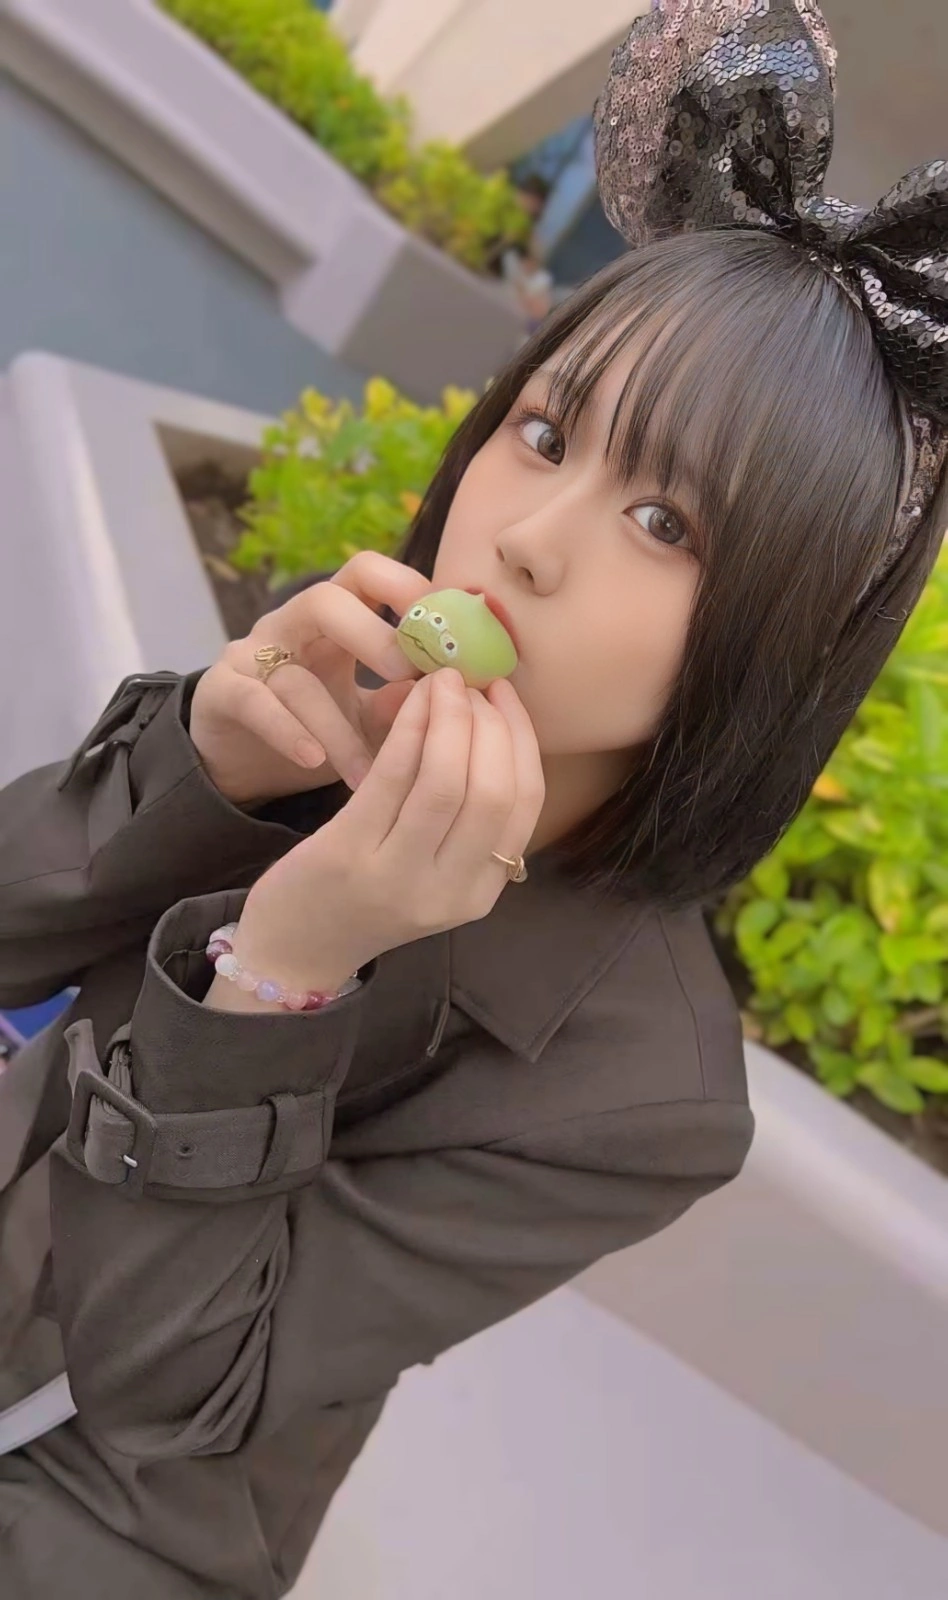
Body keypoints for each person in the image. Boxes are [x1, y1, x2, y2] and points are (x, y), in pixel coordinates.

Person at [1, 2, 947, 1594]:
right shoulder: (330, 686)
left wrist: (283, 972)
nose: (526, 537)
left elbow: (174, 1398)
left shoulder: (643, 1098)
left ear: (778, 640)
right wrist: (198, 769)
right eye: (546, 431)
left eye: (667, 523)